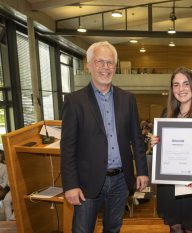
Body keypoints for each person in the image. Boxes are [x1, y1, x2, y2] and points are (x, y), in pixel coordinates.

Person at [60, 41, 149, 233]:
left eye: (109, 63)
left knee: (113, 229)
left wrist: (142, 171)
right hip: (86, 183)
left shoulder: (128, 99)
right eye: (100, 62)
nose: (105, 68)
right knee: (82, 230)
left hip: (120, 181)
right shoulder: (74, 101)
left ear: (115, 67)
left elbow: (136, 138)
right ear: (89, 65)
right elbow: (67, 147)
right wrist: (70, 185)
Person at [150, 67, 192, 233]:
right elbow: (162, 151)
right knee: (174, 228)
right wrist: (154, 144)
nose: (181, 89)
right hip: (170, 184)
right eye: (176, 85)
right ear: (172, 89)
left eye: (186, 84)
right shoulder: (166, 114)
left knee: (191, 228)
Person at [0, 150, 15, 221]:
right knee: (6, 200)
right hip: (10, 188)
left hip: (6, 188)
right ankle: (9, 220)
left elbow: (5, 183)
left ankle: (11, 219)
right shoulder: (6, 166)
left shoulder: (5, 167)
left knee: (10, 201)